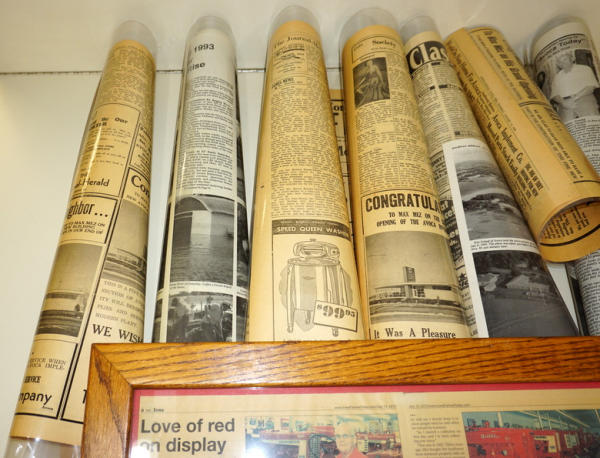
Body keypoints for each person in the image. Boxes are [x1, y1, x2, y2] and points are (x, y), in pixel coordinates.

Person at [550, 52, 600, 121]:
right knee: (566, 125)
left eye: (565, 59)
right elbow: (554, 95)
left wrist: (574, 98)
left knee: (590, 121)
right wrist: (563, 103)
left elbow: (590, 87)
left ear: (572, 58)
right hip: (564, 104)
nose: (563, 63)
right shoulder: (557, 77)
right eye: (560, 62)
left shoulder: (585, 69)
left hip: (584, 98)